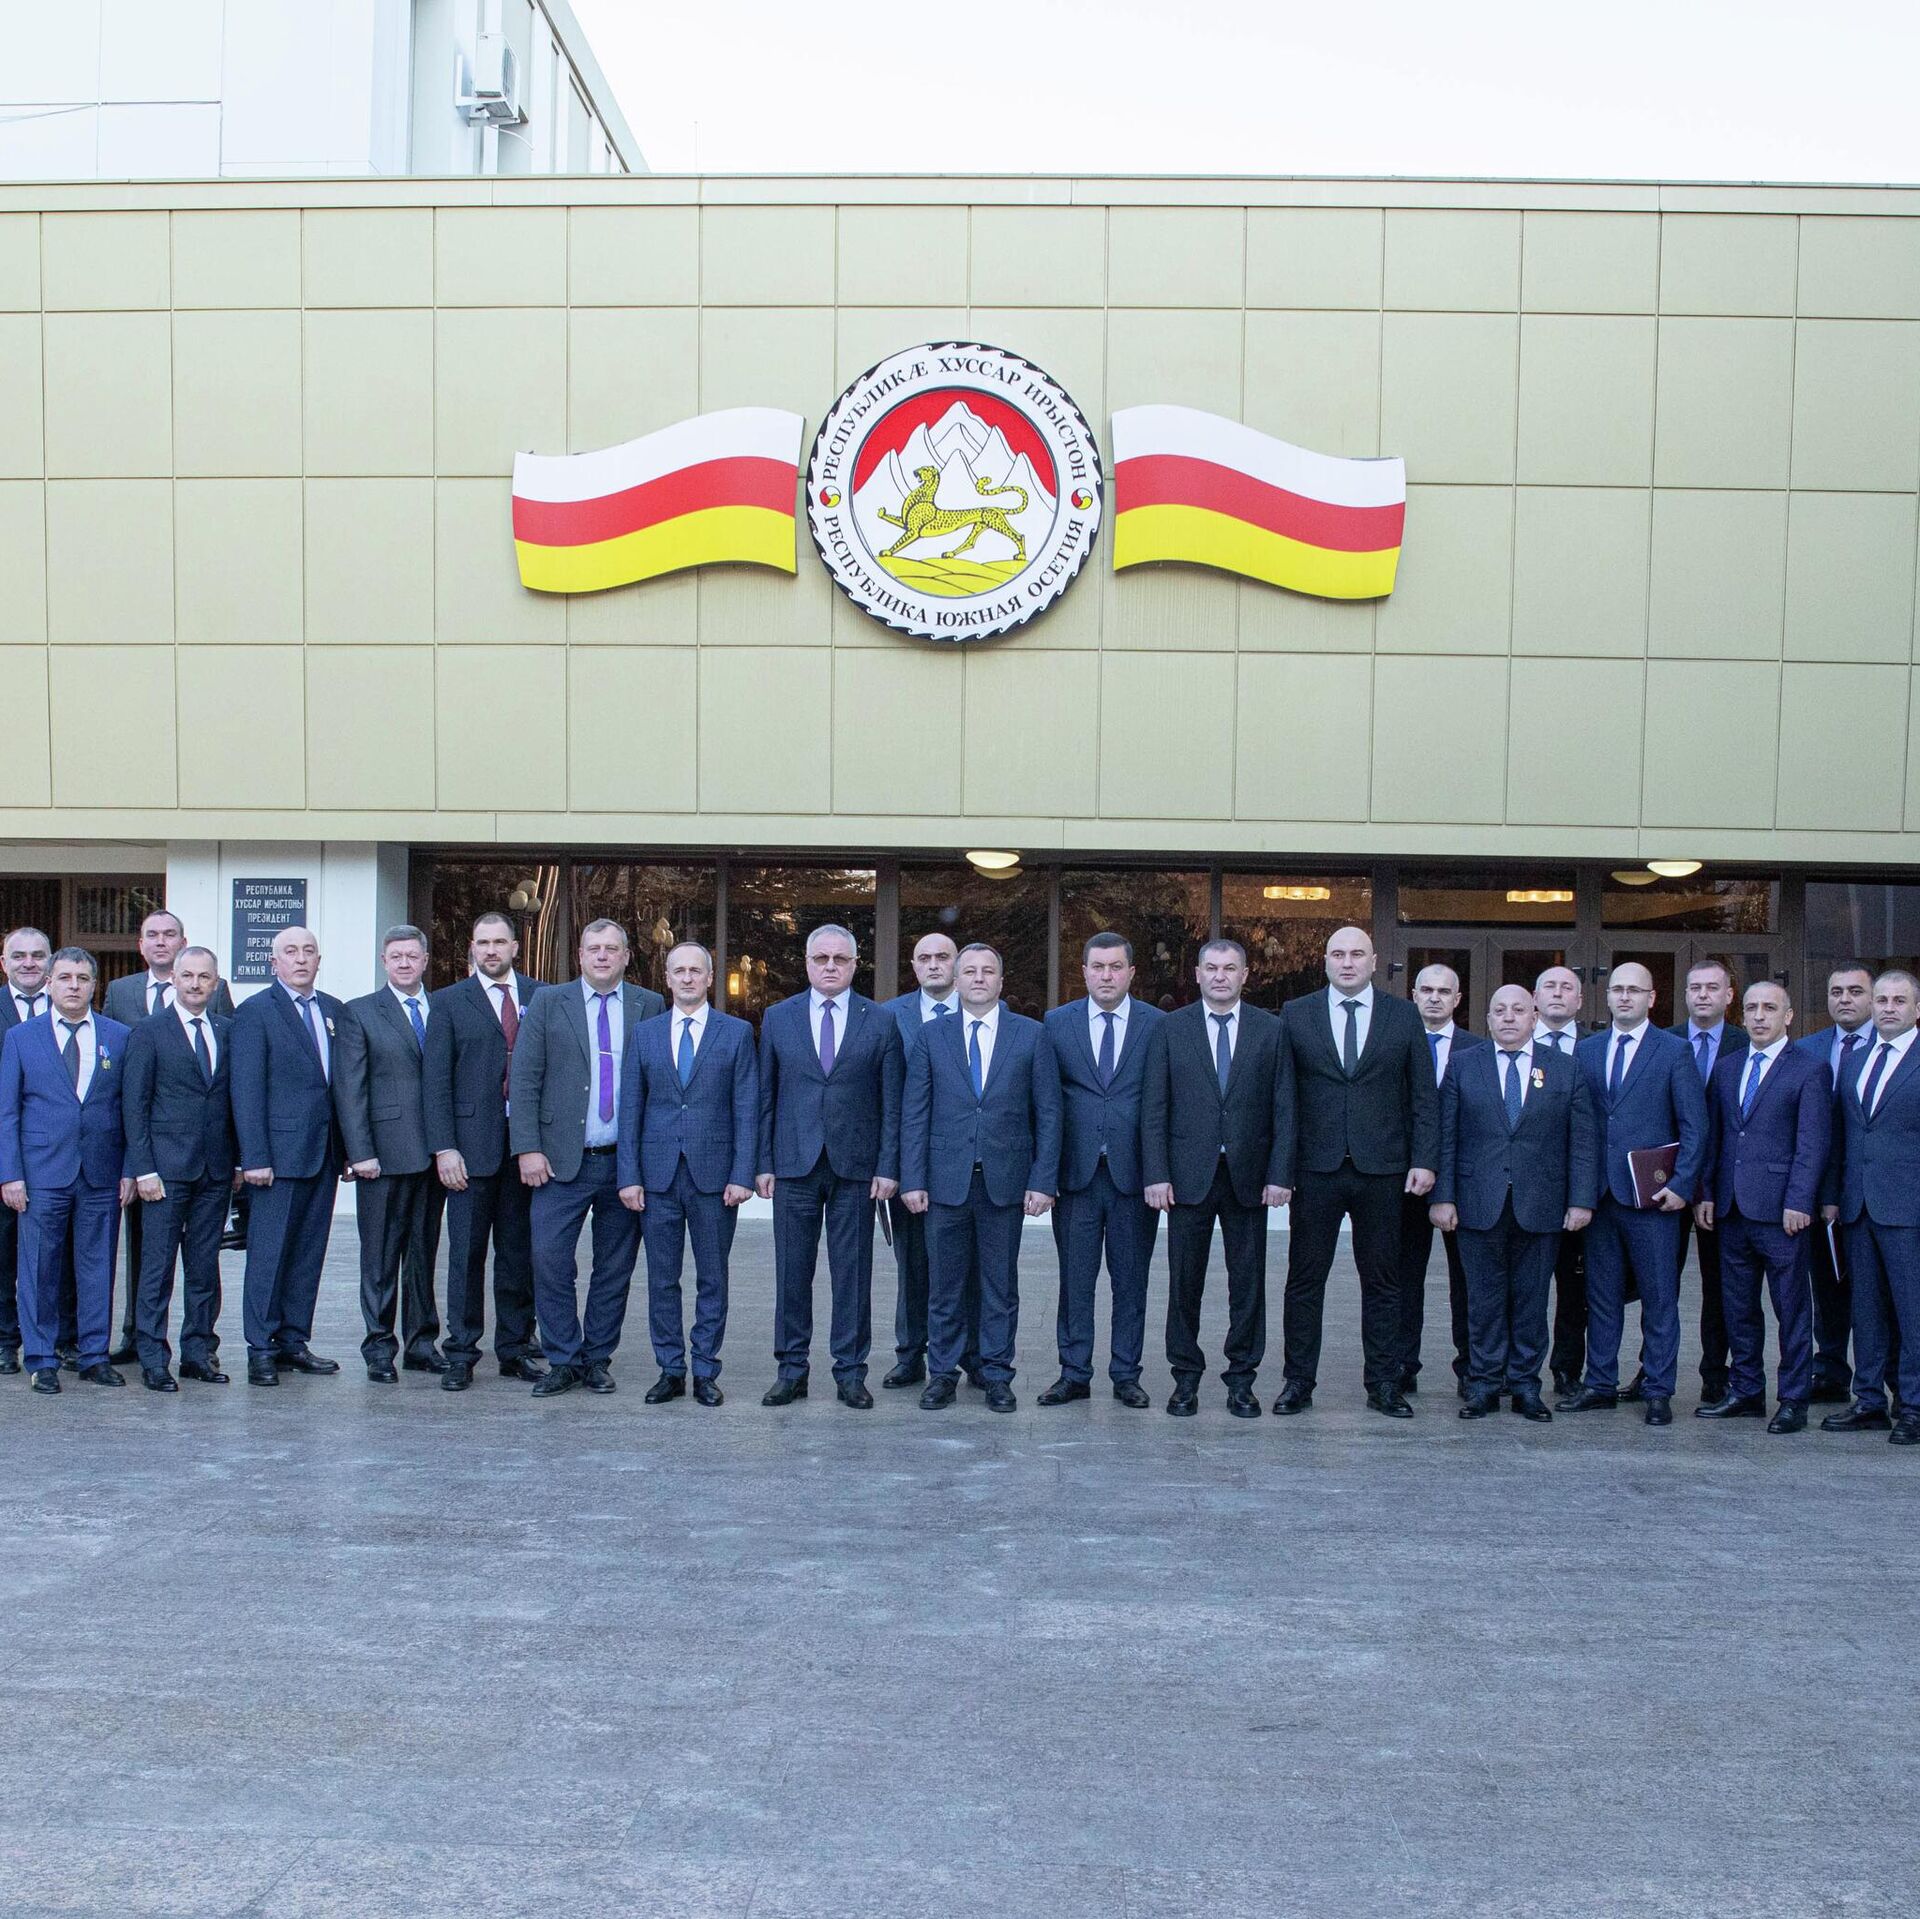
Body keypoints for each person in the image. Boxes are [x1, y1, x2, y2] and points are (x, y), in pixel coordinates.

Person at [1277, 926, 1436, 1418]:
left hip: (1383, 1169)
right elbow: (1284, 1098)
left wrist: (1424, 1159)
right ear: (1325, 961)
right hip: (1316, 1168)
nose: (1347, 963)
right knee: (1305, 1280)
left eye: (1356, 954)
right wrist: (1282, 1169)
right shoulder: (1296, 1014)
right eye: (1338, 954)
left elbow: (1422, 1096)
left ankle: (1384, 1383)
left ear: (1374, 961)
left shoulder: (1403, 1016)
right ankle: (1298, 1382)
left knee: (1384, 1281)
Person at [900, 943, 1061, 1412]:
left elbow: (1049, 1114)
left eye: (987, 971)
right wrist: (912, 1179)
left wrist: (1042, 1180)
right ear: (956, 980)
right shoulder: (932, 1036)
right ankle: (942, 1374)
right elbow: (915, 1112)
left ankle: (996, 1374)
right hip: (944, 1182)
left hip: (1004, 1183)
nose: (977, 978)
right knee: (944, 1286)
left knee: (999, 1286)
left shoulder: (1031, 1035)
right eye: (969, 971)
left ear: (1001, 981)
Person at [510, 919, 663, 1397]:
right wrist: (528, 1148)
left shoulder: (649, 1005)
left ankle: (597, 1358)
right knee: (549, 1260)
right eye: (593, 948)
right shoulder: (548, 1002)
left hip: (624, 1163)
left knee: (614, 1267)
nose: (602, 956)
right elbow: (525, 1078)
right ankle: (562, 1358)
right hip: (558, 1161)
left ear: (626, 957)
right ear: (579, 955)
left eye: (611, 948)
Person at [1430, 984, 1597, 1420]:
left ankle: (1525, 1385)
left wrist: (1581, 1200)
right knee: (1482, 1302)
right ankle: (1484, 1384)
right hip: (1477, 1204)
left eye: (1518, 1010)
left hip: (1541, 1205)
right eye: (1499, 1010)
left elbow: (1582, 1141)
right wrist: (1442, 1197)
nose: (1508, 1017)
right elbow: (1445, 1136)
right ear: (1487, 1019)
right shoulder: (1463, 1065)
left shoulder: (1565, 1069)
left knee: (1531, 1301)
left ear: (1534, 1016)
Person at [1141, 938, 1291, 1418]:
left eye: (1229, 968)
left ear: (1245, 975)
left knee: (1248, 1286)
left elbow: (1285, 1108)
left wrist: (1280, 1173)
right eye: (1211, 968)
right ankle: (1185, 1378)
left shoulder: (1271, 1030)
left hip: (1249, 1178)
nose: (1220, 976)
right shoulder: (1170, 1028)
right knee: (1184, 1283)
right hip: (1187, 1178)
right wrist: (1156, 1173)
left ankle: (1241, 1381)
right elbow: (1154, 1107)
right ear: (1198, 974)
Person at [757, 924, 903, 1409]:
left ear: (855, 965)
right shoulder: (778, 1018)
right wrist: (762, 1162)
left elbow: (892, 1103)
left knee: (853, 1275)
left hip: (856, 1169)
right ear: (807, 962)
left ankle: (850, 1372)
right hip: (793, 1164)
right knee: (791, 1274)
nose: (830, 967)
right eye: (821, 958)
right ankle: (791, 1370)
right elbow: (765, 1096)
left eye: (840, 959)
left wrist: (888, 1166)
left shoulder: (880, 1021)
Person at [1565, 963, 1708, 1427]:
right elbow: (1579, 1124)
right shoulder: (1586, 1050)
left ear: (1652, 998)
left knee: (1659, 1298)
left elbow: (1695, 1126)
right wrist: (1579, 1191)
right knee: (1601, 1296)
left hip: (1653, 1198)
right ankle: (1600, 1383)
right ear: (1607, 997)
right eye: (1618, 989)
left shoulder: (1674, 1051)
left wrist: (1681, 1185)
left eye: (1635, 990)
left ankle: (1658, 1389)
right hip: (1601, 1196)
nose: (1625, 997)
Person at [618, 943, 756, 1406]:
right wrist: (629, 1176)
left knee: (712, 1278)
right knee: (662, 1279)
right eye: (679, 971)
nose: (688, 978)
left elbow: (746, 1108)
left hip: (715, 1179)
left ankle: (705, 1370)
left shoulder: (736, 1034)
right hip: (657, 1177)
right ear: (667, 978)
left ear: (710, 978)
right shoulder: (645, 1034)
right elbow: (631, 1109)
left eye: (696, 970)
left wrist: (742, 1174)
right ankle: (670, 1369)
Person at [1694, 981, 1830, 1433]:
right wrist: (1706, 1192)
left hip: (1782, 1214)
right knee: (1738, 1307)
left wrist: (1800, 1201)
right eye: (1751, 1008)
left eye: (1769, 1008)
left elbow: (1812, 1144)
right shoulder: (1728, 1068)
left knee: (1791, 1310)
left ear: (1788, 1016)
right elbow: (1715, 1137)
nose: (1758, 1016)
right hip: (1731, 1209)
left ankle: (1793, 1398)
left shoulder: (1809, 1070)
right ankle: (1747, 1390)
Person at [103, 910, 236, 1367]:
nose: (195, 984)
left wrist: (238, 1162)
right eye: (187, 976)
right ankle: (152, 1357)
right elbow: (134, 1105)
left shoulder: (227, 1031)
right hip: (163, 1171)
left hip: (214, 1171)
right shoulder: (148, 1031)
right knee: (156, 1269)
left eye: (204, 977)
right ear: (174, 979)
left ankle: (199, 1353)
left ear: (215, 984)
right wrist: (143, 1168)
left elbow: (233, 1101)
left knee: (204, 1269)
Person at [423, 910, 546, 1391]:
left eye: (499, 942)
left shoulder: (542, 996)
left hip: (525, 1151)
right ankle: (461, 1352)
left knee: (518, 1255)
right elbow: (435, 1082)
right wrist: (444, 1148)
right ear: (472, 949)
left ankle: (515, 1349)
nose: (491, 950)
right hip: (469, 1153)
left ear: (515, 947)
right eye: (482, 943)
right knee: (467, 1256)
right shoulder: (448, 1002)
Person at [0, 946, 133, 1392]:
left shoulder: (118, 1036)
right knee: (39, 1269)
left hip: (101, 1172)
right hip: (41, 1173)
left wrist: (129, 1169)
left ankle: (94, 1355)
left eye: (82, 978)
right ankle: (41, 1359)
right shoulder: (22, 1037)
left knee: (98, 1268)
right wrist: (10, 1174)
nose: (73, 986)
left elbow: (130, 1110)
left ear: (95, 984)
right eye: (64, 978)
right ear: (49, 984)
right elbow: (7, 1112)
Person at [1040, 932, 1163, 1408]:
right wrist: (1045, 1177)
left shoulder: (1157, 1025)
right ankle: (1074, 1373)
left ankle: (1126, 1374)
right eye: (1098, 967)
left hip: (1134, 1177)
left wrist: (1160, 1173)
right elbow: (1048, 1105)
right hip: (1077, 1177)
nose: (1106, 975)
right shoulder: (1057, 1024)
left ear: (1131, 973)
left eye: (1115, 967)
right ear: (1084, 972)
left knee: (1131, 1282)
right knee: (1076, 1281)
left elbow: (1163, 1103)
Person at [228, 926, 346, 1387]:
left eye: (308, 951)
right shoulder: (255, 1012)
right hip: (275, 1159)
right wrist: (253, 1157)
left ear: (319, 960)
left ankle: (294, 1340)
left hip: (323, 1154)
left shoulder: (334, 1010)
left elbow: (339, 1088)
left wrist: (348, 1150)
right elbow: (246, 1090)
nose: (300, 959)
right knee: (269, 1255)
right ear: (273, 962)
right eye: (290, 952)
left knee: (307, 1253)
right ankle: (261, 1347)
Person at [333, 925, 447, 1382]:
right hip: (381, 1157)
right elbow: (349, 1088)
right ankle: (379, 1347)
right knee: (379, 1258)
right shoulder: (360, 1012)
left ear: (425, 961)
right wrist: (359, 1152)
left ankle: (421, 1343)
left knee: (422, 1255)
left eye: (411, 956)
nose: (404, 963)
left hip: (433, 1156)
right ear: (384, 961)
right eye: (395, 956)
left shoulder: (443, 1009)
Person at [1824, 968, 1920, 1445]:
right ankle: (1869, 1401)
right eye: (1882, 1000)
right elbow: (1843, 1136)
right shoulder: (1857, 1060)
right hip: (1858, 1207)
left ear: (1917, 1008)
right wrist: (1832, 1198)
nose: (1888, 1008)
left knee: (1912, 1313)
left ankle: (1914, 1407)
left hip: (1909, 1209)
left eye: (1899, 1001)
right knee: (1866, 1310)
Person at [882, 931, 980, 1388]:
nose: (935, 964)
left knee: (972, 1266)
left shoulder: (982, 1011)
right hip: (911, 1162)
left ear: (957, 965)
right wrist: (893, 1167)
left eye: (944, 957)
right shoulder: (889, 1016)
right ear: (914, 966)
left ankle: (974, 1355)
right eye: (925, 958)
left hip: (968, 1161)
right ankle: (911, 1353)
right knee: (914, 1264)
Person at [1662, 960, 1748, 1406]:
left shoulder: (1747, 1043)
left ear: (1729, 996)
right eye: (1695, 987)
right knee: (1660, 1285)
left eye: (1712, 988)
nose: (1702, 995)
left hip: (1722, 1186)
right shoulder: (1664, 1041)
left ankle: (1716, 1374)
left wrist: (1706, 1187)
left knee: (1719, 1287)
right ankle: (1652, 1370)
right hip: (1666, 1183)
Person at [1398, 963, 1484, 1396]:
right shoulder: (1395, 1043)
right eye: (1427, 990)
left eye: (1444, 991)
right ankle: (1401, 1366)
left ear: (1457, 999)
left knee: (1467, 1282)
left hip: (1462, 1184)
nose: (1434, 997)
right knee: (1402, 1280)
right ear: (1413, 995)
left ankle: (1471, 1368)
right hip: (1404, 1182)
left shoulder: (1479, 1050)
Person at [1796, 962, 1874, 1402]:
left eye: (1855, 991)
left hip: (1872, 1192)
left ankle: (1879, 1382)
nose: (1845, 999)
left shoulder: (1890, 1048)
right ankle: (1829, 1371)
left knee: (1873, 1291)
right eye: (1837, 991)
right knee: (1825, 1287)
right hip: (1815, 1193)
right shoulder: (1806, 1050)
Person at [1533, 963, 1596, 1394]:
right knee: (1524, 1288)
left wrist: (1584, 1194)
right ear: (1535, 999)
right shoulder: (1506, 1044)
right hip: (1523, 1190)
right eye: (1549, 986)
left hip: (1577, 1190)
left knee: (1575, 1290)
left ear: (1580, 1000)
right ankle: (1515, 1370)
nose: (1558, 993)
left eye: (1567, 987)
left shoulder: (1596, 1050)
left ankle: (1567, 1370)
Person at [0, 924, 56, 1373]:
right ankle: (5, 1340)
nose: (29, 963)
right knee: (2, 1254)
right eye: (19, 956)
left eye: (38, 955)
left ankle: (60, 1339)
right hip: (3, 1151)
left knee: (54, 1254)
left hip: (55, 1155)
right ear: (4, 963)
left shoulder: (72, 1008)